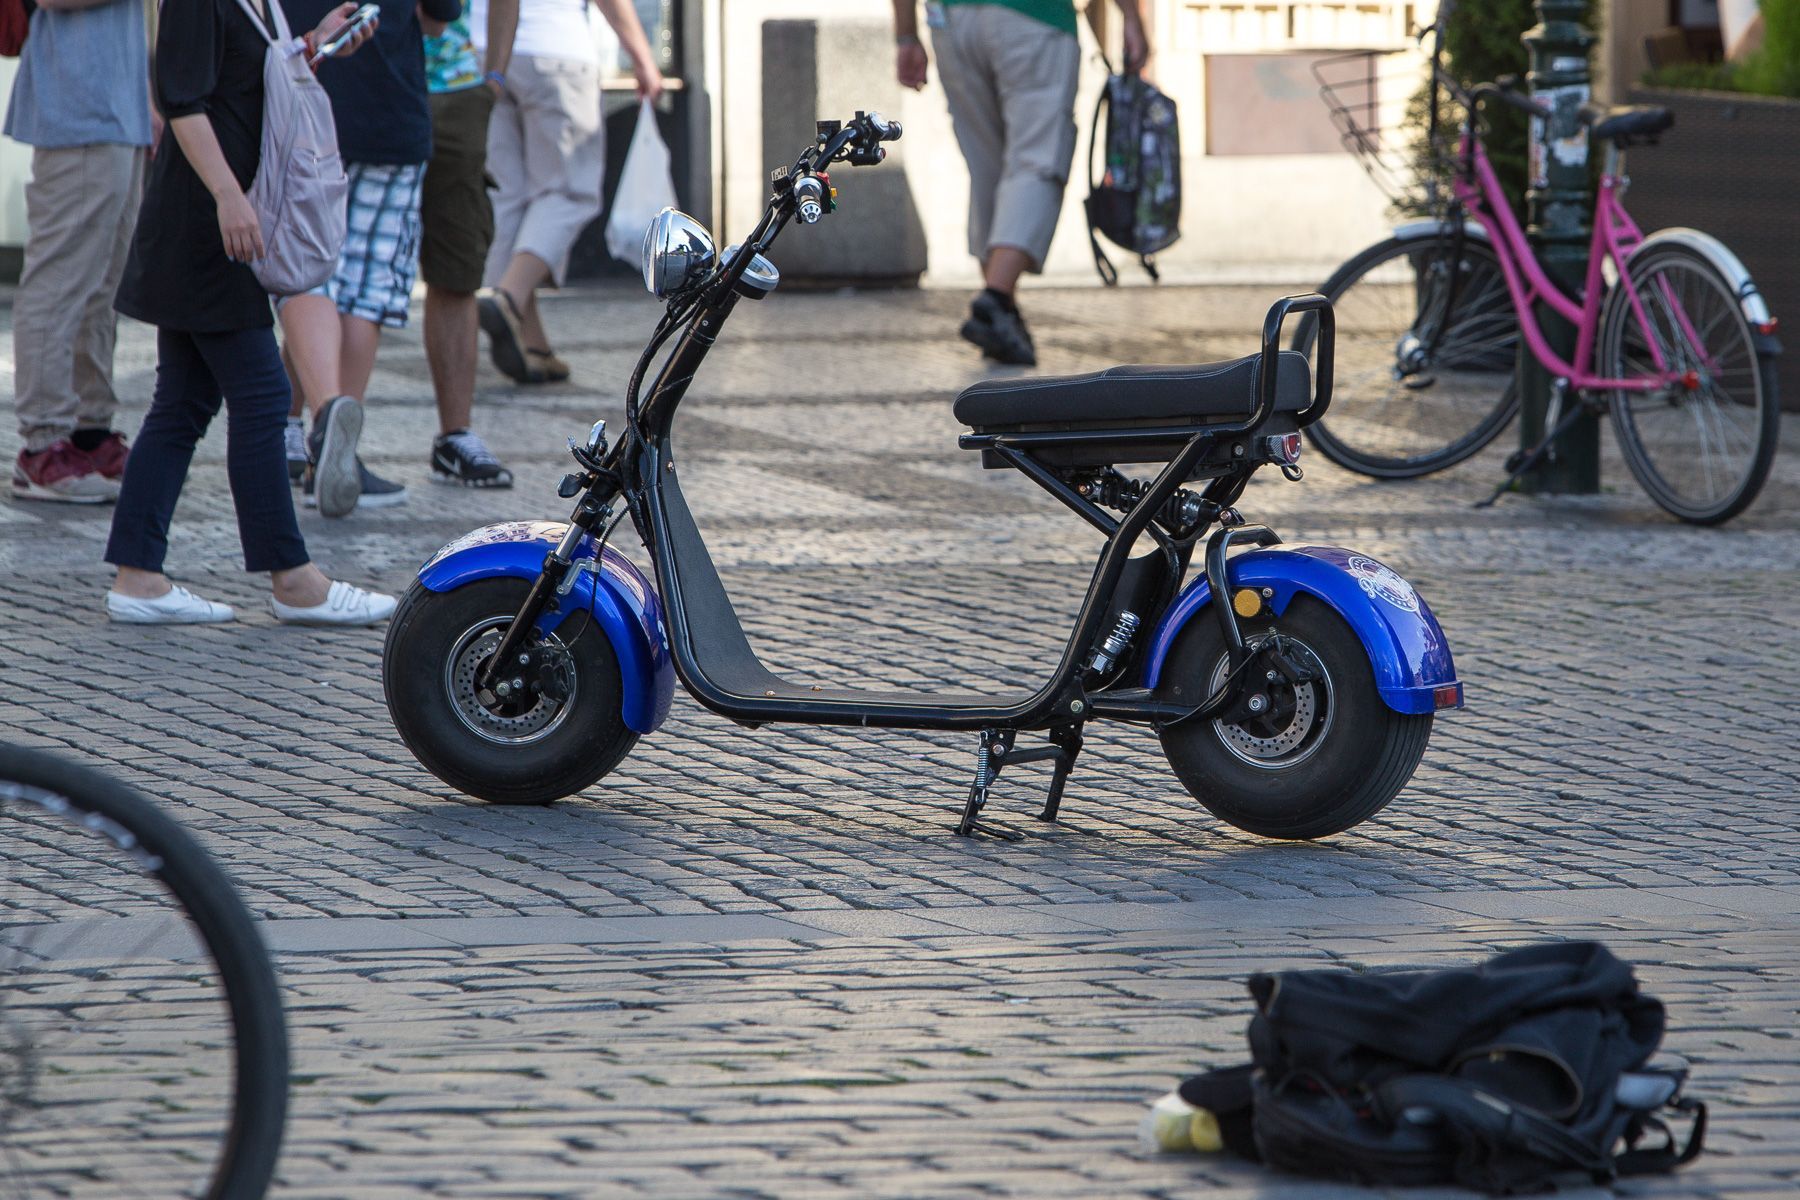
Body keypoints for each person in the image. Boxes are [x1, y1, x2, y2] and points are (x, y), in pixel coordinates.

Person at [105, 0, 397, 626]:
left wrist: (314, 45)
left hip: (222, 227)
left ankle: (137, 574)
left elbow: (245, 80)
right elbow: (182, 99)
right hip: (209, 230)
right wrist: (229, 197)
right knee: (264, 395)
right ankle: (293, 579)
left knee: (181, 403)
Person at [278, 0, 463, 515]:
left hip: (302, 108)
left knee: (307, 274)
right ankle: (337, 447)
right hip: (390, 114)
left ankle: (314, 418)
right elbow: (437, 17)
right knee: (365, 289)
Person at [892, 0, 1149, 366]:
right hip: (1033, 17)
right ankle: (995, 299)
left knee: (987, 170)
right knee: (1038, 159)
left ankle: (1002, 314)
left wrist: (905, 35)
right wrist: (1131, 17)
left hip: (951, 22)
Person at [5, 0, 156, 503]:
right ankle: (42, 445)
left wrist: (148, 103)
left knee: (104, 284)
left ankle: (89, 432)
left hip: (119, 110)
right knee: (60, 281)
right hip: (79, 107)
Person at [470, 0, 662, 383]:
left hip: (486, 53)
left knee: (508, 197)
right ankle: (506, 297)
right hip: (557, 53)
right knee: (568, 194)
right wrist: (642, 55)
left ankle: (533, 344)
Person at [418, 0, 519, 486]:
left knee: (458, 272)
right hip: (371, 92)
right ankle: (299, 431)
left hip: (459, 95)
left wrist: (492, 80)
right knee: (338, 272)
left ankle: (455, 435)